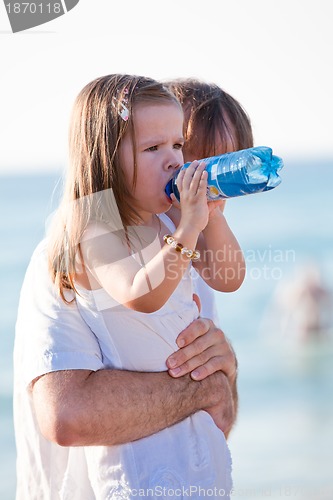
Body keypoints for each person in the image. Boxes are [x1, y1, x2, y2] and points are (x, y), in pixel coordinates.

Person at [12, 75, 250, 499]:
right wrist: (191, 224)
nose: (185, 168)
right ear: (110, 154)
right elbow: (66, 415)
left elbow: (229, 278)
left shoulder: (176, 232)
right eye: (156, 148)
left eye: (178, 148)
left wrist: (210, 216)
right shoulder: (89, 234)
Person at [165, 78, 254, 323]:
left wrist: (213, 216)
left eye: (224, 167)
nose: (206, 181)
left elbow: (229, 278)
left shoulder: (204, 235)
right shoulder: (143, 224)